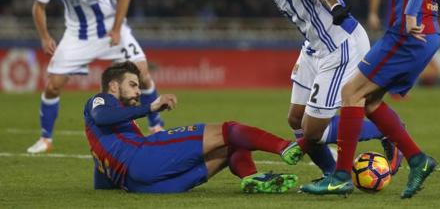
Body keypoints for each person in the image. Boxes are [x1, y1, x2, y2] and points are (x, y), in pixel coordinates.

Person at [170, 0, 402, 181]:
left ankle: (384, 131)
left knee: (313, 131)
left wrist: (334, 7)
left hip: (340, 46)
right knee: (296, 121)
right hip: (315, 47)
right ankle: (330, 173)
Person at [300, 0, 440, 198]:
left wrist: (410, 12)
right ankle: (418, 159)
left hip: (410, 33)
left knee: (350, 92)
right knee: (370, 101)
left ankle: (339, 176)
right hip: (422, 34)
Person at [28, 0, 164, 154]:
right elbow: (38, 6)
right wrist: (44, 36)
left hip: (111, 29)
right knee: (52, 86)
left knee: (142, 74)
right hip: (77, 35)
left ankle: (156, 126)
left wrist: (117, 27)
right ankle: (46, 139)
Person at [85, 61, 303, 193]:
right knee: (229, 130)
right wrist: (151, 107)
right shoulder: (100, 100)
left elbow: (101, 169)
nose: (138, 92)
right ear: (113, 86)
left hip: (144, 186)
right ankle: (284, 146)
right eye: (132, 85)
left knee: (229, 147)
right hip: (143, 160)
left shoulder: (113, 128)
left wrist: (106, 184)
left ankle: (251, 177)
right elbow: (101, 116)